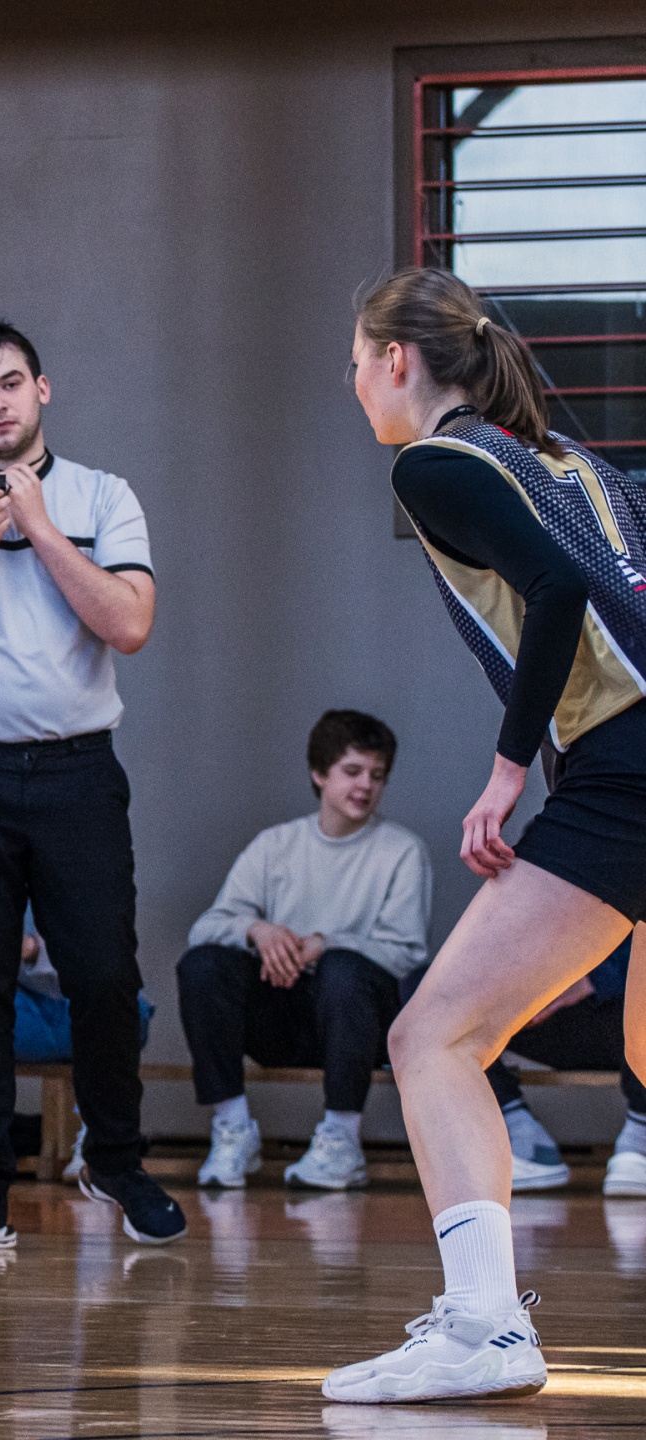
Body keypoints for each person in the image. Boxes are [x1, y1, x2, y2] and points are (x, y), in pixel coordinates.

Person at [324, 267, 646, 1404]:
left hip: (628, 769)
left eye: (355, 361)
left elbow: (555, 593)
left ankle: (483, 1327)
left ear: (396, 360)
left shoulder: (436, 464)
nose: (354, 383)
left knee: (434, 1038)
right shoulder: (577, 469)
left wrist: (506, 775)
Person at [0, 319, 186, 1249]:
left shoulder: (103, 495)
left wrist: (42, 529)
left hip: (76, 772)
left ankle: (117, 1162)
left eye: (11, 383)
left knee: (104, 976)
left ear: (41, 390)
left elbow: (130, 625)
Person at [178, 709, 431, 1191]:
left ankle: (341, 1141)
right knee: (203, 965)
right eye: (352, 771)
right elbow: (204, 929)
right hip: (283, 1018)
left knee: (342, 969)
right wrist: (258, 931)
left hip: (361, 1021)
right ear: (319, 773)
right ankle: (232, 1130)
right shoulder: (275, 846)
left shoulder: (402, 851)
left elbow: (408, 954)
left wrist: (326, 944)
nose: (366, 786)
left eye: (377, 775)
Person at [0, 917, 154, 1184]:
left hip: (91, 998)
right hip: (21, 1005)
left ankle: (99, 1144)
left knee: (115, 994)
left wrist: (34, 949)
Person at [479, 938, 646, 1195]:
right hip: (549, 1009)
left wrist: (594, 978)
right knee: (432, 992)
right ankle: (523, 1137)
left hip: (619, 999)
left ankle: (640, 1135)